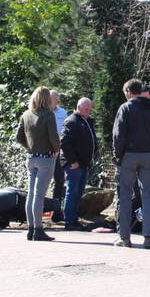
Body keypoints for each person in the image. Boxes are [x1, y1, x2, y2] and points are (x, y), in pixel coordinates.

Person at [112, 78, 150, 249]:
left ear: (128, 92)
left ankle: (125, 237)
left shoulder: (125, 108)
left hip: (129, 155)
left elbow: (119, 134)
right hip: (149, 155)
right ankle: (149, 237)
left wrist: (117, 155)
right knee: (148, 195)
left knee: (125, 195)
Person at [15, 86, 60, 242]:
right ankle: (38, 229)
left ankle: (31, 228)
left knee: (31, 194)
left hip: (31, 157)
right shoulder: (48, 115)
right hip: (46, 158)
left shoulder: (26, 114)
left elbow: (19, 137)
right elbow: (53, 137)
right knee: (39, 195)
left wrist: (30, 147)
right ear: (47, 99)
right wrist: (57, 150)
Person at [60, 97, 97, 231]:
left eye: (90, 109)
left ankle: (74, 219)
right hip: (74, 164)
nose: (88, 111)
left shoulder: (86, 121)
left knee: (78, 192)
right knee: (72, 191)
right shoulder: (72, 121)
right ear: (79, 107)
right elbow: (64, 142)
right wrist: (72, 161)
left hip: (83, 163)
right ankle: (69, 221)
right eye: (86, 109)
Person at [49, 90, 68, 220]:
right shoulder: (43, 112)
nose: (50, 101)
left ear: (57, 100)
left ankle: (56, 211)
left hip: (59, 151)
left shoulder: (62, 113)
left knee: (59, 180)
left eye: (53, 99)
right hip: (46, 150)